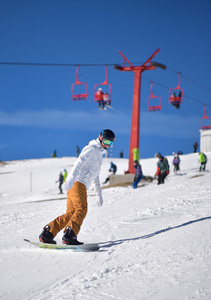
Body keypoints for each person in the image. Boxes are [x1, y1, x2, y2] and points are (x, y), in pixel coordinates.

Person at [39, 129, 115, 245]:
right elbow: (78, 162)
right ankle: (70, 235)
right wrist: (70, 178)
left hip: (77, 185)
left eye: (110, 143)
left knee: (70, 213)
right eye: (105, 141)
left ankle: (47, 233)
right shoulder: (91, 149)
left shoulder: (99, 156)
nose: (107, 145)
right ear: (100, 137)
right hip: (78, 183)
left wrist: (98, 193)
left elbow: (96, 176)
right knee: (81, 209)